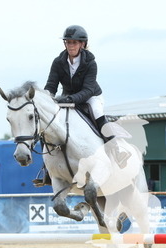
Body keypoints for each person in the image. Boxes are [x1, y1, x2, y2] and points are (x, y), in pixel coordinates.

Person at [35, 25, 129, 186]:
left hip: (90, 97)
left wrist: (70, 99)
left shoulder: (91, 63)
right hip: (66, 98)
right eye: (68, 42)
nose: (71, 45)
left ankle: (116, 151)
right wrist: (46, 99)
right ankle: (47, 169)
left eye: (74, 42)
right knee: (48, 124)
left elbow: (88, 89)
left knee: (97, 113)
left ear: (82, 44)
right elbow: (51, 86)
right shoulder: (58, 62)